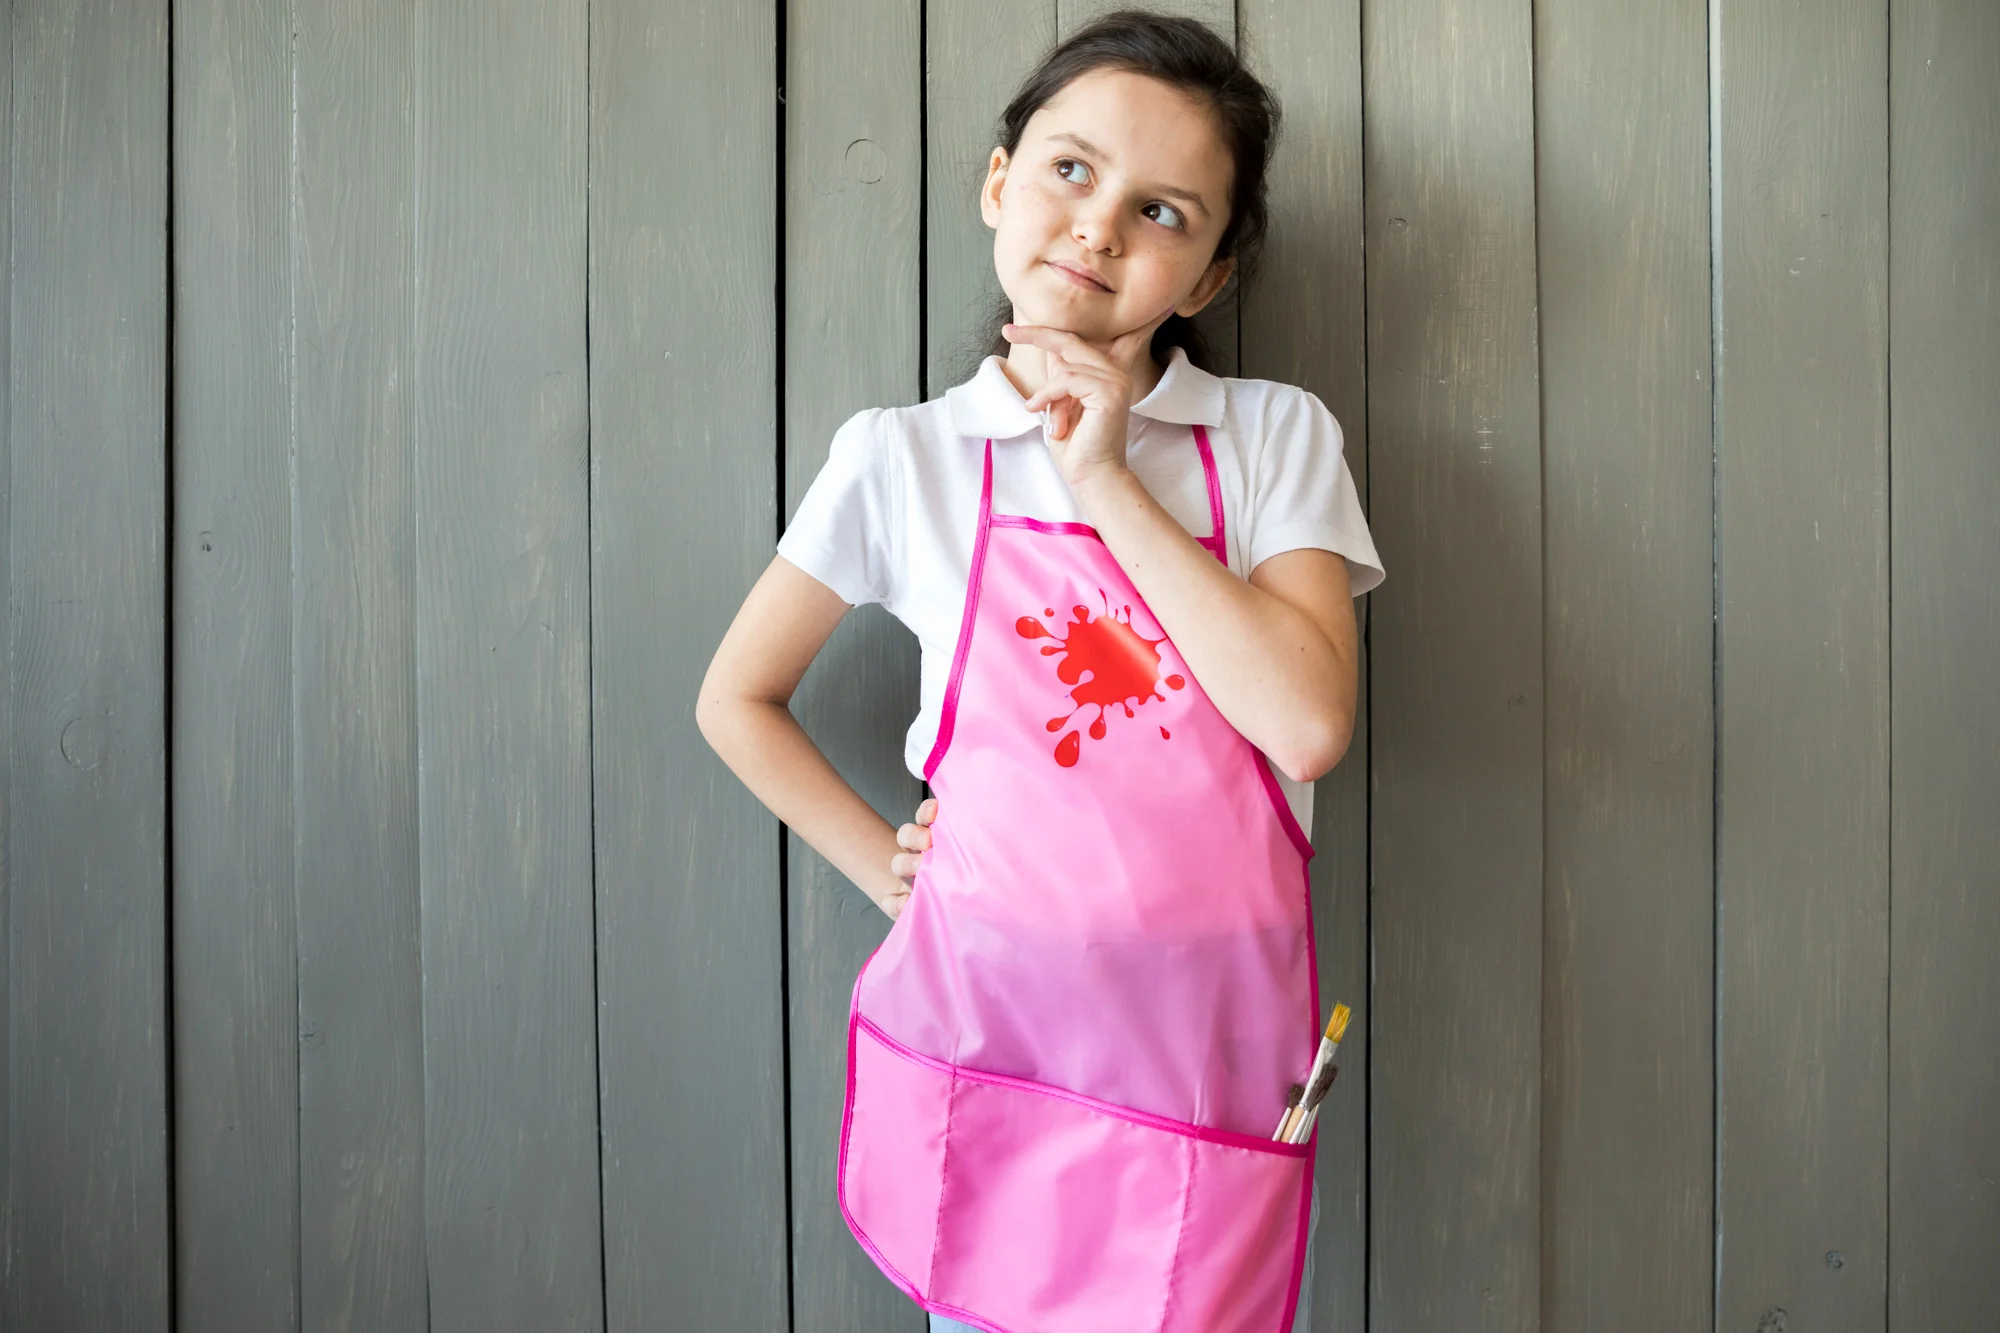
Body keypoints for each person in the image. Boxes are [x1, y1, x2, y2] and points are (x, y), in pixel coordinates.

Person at [699, 11, 1382, 1330]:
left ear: (1209, 278)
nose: (1101, 226)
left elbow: (1305, 724)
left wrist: (1105, 475)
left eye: (1164, 211)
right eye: (1070, 172)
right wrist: (892, 875)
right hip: (988, 1029)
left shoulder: (1269, 438)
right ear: (999, 183)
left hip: (1205, 1053)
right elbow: (736, 699)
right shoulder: (902, 459)